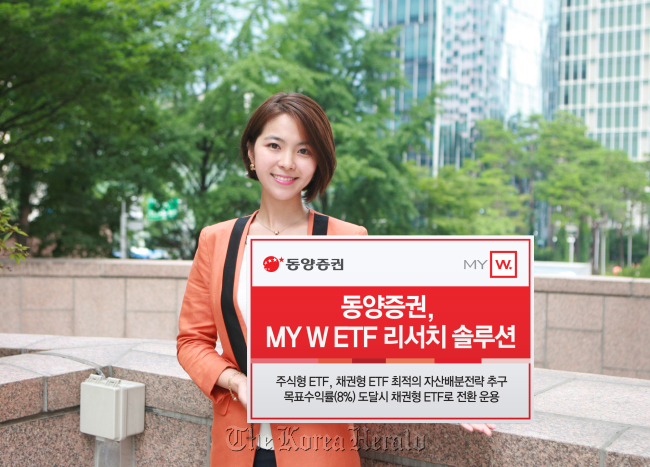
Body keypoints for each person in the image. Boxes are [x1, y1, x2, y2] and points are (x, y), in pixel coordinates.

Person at [177, 92, 494, 467]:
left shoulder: (345, 239)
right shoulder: (217, 240)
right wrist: (237, 382)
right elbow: (192, 341)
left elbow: (385, 334)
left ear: (318, 162)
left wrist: (442, 392)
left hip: (319, 450)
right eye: (274, 145)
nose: (287, 162)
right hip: (238, 448)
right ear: (251, 152)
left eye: (304, 151)